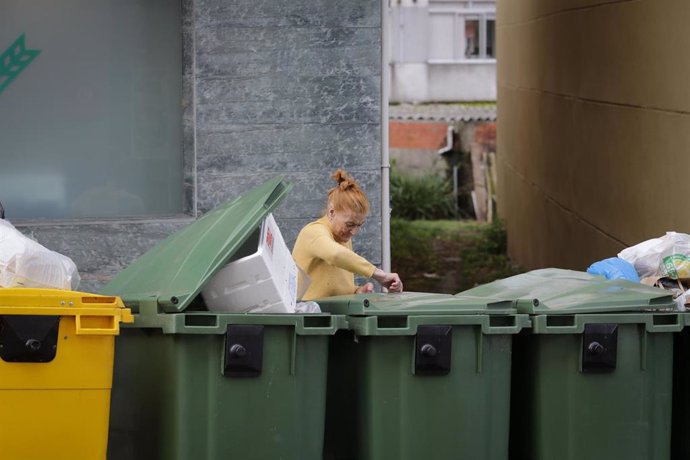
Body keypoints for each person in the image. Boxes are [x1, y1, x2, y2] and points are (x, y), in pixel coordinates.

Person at [292, 169, 403, 300]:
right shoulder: (313, 232)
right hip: (307, 316)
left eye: (359, 225)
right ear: (332, 212)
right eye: (350, 224)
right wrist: (379, 274)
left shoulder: (342, 238)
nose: (354, 231)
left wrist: (356, 291)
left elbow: (336, 284)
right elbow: (335, 255)